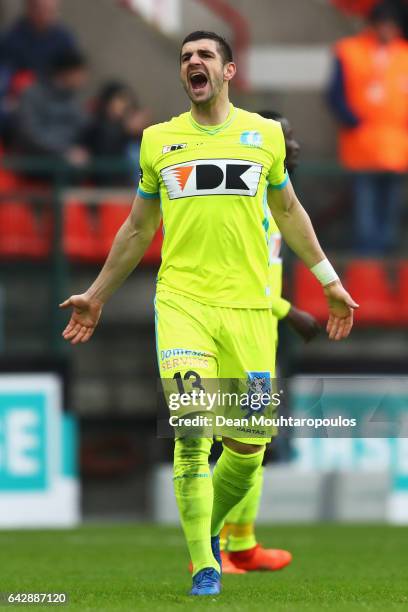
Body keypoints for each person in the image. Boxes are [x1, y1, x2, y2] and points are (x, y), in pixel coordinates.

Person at [60, 31, 357, 596]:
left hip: (248, 312)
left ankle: (217, 533)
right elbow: (137, 228)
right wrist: (96, 294)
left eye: (205, 56)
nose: (193, 62)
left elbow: (290, 212)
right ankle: (204, 563)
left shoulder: (263, 135)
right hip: (182, 305)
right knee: (192, 433)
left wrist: (330, 282)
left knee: (248, 450)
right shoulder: (157, 141)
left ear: (228, 71)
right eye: (185, 56)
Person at [218, 110, 320, 574]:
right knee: (228, 441)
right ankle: (218, 545)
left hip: (260, 335)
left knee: (255, 441)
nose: (293, 145)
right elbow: (238, 278)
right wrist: (289, 310)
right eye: (285, 137)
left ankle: (242, 544)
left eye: (293, 136)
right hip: (232, 333)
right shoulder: (245, 203)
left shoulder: (275, 200)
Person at [327, 1, 408, 254]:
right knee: (365, 211)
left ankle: (386, 264)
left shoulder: (404, 54)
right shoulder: (349, 50)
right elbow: (335, 94)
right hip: (361, 147)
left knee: (391, 211)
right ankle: (367, 262)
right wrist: (354, 123)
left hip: (398, 149)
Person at [0, 0, 79, 136]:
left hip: (49, 94)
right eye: (41, 9)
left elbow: (69, 75)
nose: (46, 14)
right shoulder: (13, 35)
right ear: (30, 9)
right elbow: (5, 70)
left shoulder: (64, 39)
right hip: (16, 92)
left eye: (51, 10)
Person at [14, 48, 89, 165]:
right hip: (38, 160)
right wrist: (63, 152)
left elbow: (83, 128)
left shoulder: (73, 99)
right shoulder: (32, 94)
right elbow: (30, 135)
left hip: (71, 160)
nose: (84, 79)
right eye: (80, 73)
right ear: (67, 72)